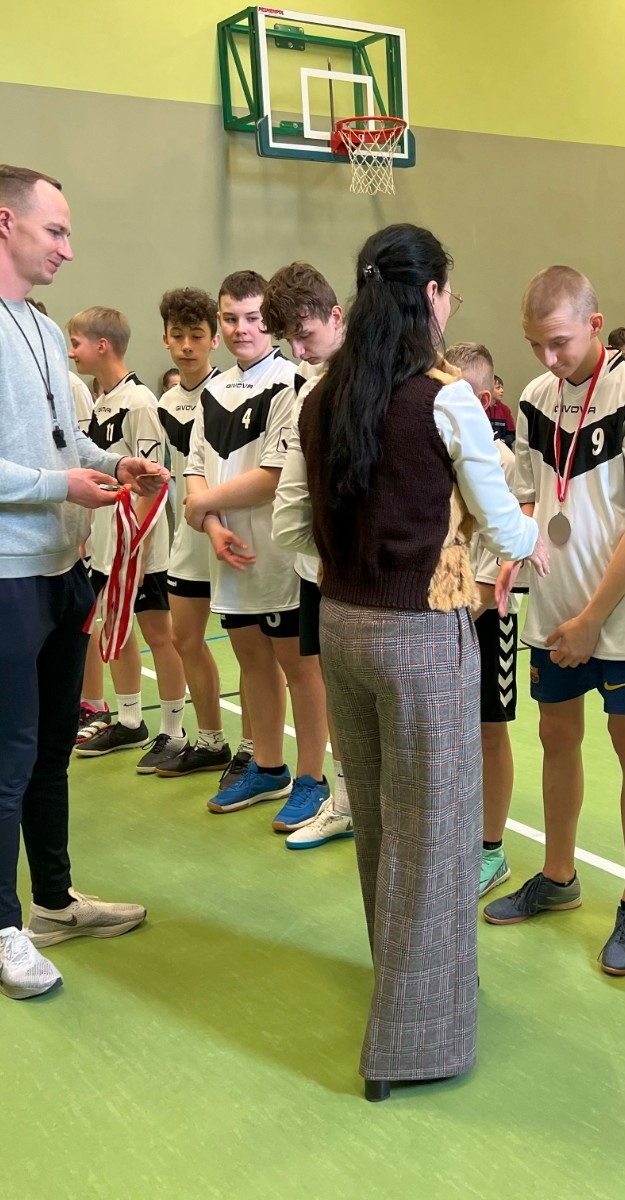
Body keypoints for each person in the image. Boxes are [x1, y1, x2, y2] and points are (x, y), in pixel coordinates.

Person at [272, 223, 543, 1101]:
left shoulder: (321, 398)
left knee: (383, 828)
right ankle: (410, 1041)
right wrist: (534, 536)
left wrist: (354, 570)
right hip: (420, 634)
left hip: (342, 628)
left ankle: (405, 978)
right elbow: (502, 525)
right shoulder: (443, 397)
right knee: (435, 834)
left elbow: (290, 527)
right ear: (430, 294)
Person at [0, 163, 167, 1000]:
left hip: (61, 570)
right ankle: (2, 928)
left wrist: (110, 464)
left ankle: (53, 901)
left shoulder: (41, 329)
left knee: (53, 747)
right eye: (55, 230)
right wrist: (57, 486)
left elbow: (57, 441)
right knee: (5, 758)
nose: (68, 248)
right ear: (4, 222)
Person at [482, 265, 625, 977]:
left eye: (559, 342)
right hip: (551, 609)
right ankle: (559, 876)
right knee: (555, 737)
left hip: (613, 617)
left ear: (595, 325)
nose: (547, 358)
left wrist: (595, 617)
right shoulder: (536, 397)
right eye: (534, 345)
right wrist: (514, 553)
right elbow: (531, 495)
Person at [182, 270, 329, 822]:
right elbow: (195, 466)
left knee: (301, 668)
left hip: (281, 556)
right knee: (251, 660)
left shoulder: (293, 383)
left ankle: (312, 778)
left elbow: (273, 476)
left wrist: (200, 506)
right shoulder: (212, 390)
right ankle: (268, 768)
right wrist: (210, 522)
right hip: (229, 553)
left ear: (271, 322)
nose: (240, 329)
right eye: (230, 318)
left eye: (251, 318)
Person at [65, 306, 190, 770]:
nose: (71, 352)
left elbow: (153, 483)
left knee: (159, 634)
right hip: (107, 545)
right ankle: (130, 719)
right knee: (115, 627)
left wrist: (133, 548)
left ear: (102, 345)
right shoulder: (101, 402)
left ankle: (174, 731)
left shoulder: (139, 403)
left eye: (76, 342)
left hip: (139, 549)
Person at [263, 260, 354, 843]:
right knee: (337, 689)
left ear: (336, 316)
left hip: (366, 573)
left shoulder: (374, 383)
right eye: (289, 341)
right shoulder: (305, 387)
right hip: (316, 565)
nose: (298, 350)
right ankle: (344, 801)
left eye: (305, 334)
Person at [443, 340, 528, 895]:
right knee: (450, 731)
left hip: (488, 616)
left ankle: (491, 849)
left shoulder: (501, 460)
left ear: (483, 399)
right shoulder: (440, 451)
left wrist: (467, 603)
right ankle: (458, 833)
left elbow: (507, 542)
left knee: (489, 730)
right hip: (443, 612)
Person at [151, 287, 232, 780]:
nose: (186, 345)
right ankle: (211, 741)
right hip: (188, 536)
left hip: (231, 532)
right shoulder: (165, 402)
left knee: (253, 650)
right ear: (165, 339)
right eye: (177, 335)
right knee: (184, 638)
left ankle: (256, 753)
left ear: (214, 340)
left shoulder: (228, 392)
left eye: (197, 335)